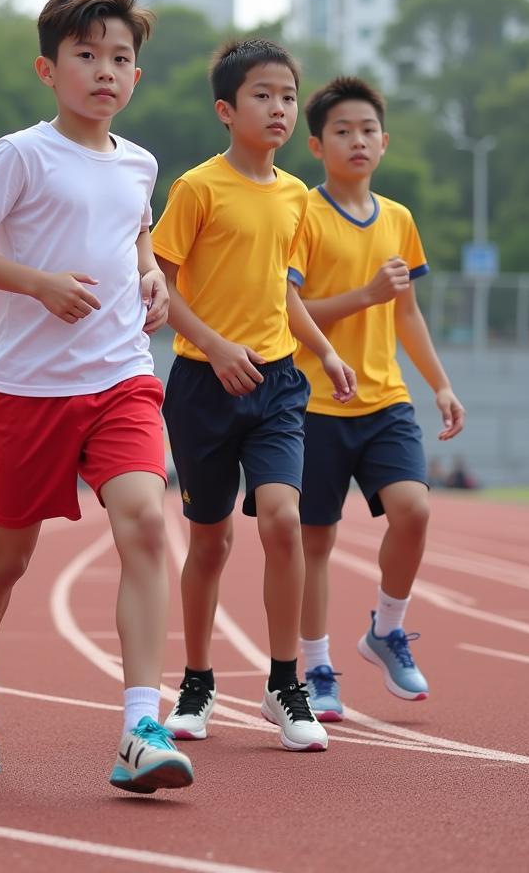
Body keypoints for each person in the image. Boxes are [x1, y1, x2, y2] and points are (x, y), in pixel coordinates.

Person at [0, 0, 194, 794]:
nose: (104, 71)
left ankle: (139, 728)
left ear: (137, 77)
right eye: (86, 56)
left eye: (120, 58)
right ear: (49, 69)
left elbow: (134, 235)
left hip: (121, 378)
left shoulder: (142, 164)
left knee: (148, 524)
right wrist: (37, 282)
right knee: (8, 557)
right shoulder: (19, 154)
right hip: (29, 389)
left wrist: (150, 275)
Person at [154, 39, 357, 752]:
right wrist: (212, 345)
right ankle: (198, 683)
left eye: (288, 97)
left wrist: (325, 352)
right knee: (209, 541)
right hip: (203, 384)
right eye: (263, 96)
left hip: (276, 384)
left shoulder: (298, 197)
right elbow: (158, 286)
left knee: (282, 519)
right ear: (226, 109)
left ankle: (284, 684)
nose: (279, 109)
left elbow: (284, 293)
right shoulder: (198, 188)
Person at [290, 76, 465, 720]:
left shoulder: (398, 219)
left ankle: (386, 629)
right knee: (316, 542)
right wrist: (364, 295)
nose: (356, 140)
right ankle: (315, 668)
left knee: (414, 512)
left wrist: (440, 384)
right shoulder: (303, 214)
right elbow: (291, 312)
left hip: (384, 399)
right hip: (311, 402)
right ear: (317, 144)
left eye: (367, 130)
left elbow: (409, 314)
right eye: (342, 131)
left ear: (384, 142)